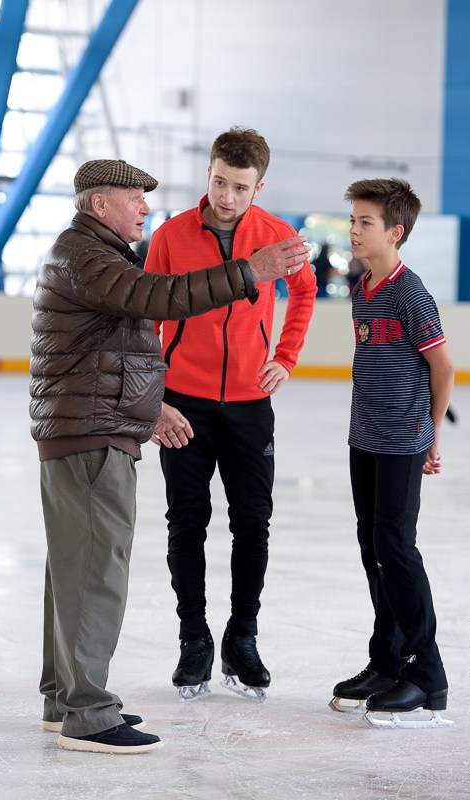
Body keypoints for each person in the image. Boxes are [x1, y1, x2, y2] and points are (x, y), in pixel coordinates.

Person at [29, 158, 310, 754]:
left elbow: (121, 342)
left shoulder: (93, 252)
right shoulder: (88, 255)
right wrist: (246, 272)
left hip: (95, 425)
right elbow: (159, 298)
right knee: (95, 571)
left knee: (75, 570)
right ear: (100, 203)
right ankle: (87, 712)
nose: (146, 209)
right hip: (90, 432)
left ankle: (64, 699)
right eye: (135, 200)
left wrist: (148, 406)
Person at [144, 127, 317, 700]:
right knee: (186, 520)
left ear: (258, 186)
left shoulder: (275, 236)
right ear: (210, 174)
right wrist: (157, 396)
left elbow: (306, 291)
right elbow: (145, 315)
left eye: (240, 187)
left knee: (253, 522)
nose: (226, 196)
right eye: (219, 182)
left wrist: (286, 357)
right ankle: (194, 637)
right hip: (183, 403)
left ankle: (243, 636)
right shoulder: (170, 235)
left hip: (249, 404)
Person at [330, 178, 455, 726]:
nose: (355, 231)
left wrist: (431, 434)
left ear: (395, 233)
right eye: (353, 221)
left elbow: (443, 367)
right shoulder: (364, 289)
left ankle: (427, 674)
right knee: (372, 547)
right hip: (365, 436)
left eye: (366, 223)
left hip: (403, 438)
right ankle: (387, 662)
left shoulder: (411, 293)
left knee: (395, 547)